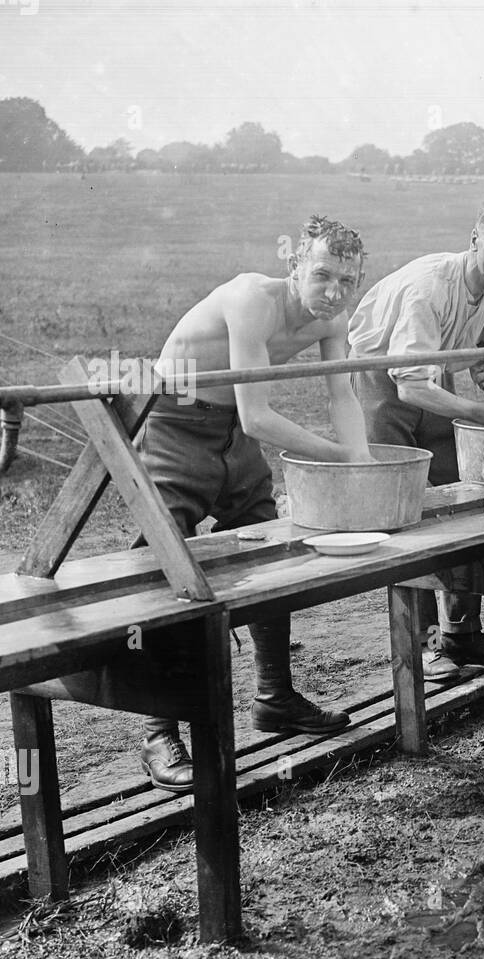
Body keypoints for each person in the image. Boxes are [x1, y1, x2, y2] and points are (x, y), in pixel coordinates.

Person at [134, 215, 370, 791]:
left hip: (232, 438)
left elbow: (342, 392)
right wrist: (339, 460)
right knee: (164, 566)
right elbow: (258, 415)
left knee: (271, 546)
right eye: (321, 275)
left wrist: (364, 465)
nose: (334, 291)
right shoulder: (250, 300)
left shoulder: (333, 314)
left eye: (347, 279)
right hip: (173, 421)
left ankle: (275, 697)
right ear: (293, 267)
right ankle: (158, 729)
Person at [348, 197, 484, 681]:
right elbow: (409, 384)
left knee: (464, 498)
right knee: (404, 510)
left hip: (431, 378)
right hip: (380, 381)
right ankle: (425, 647)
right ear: (474, 239)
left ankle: (463, 633)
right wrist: (481, 413)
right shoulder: (430, 287)